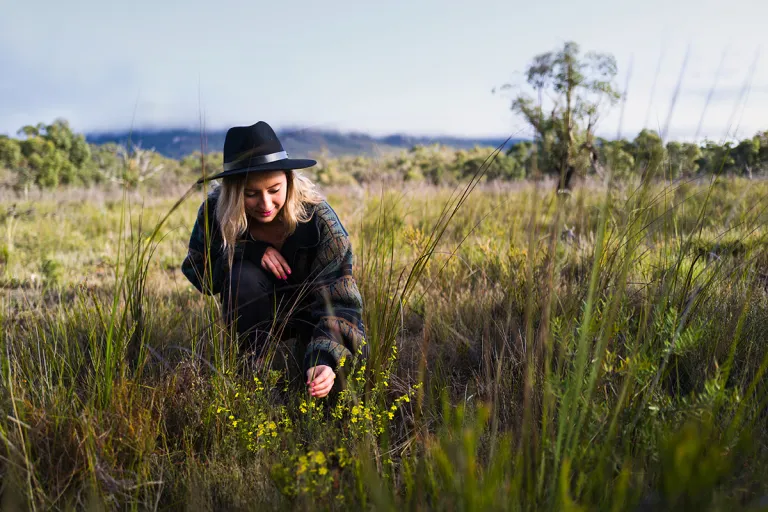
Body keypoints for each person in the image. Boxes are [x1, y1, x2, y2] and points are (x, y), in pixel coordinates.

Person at [181, 121, 365, 398]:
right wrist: (246, 251)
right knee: (241, 277)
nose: (265, 205)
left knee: (332, 387)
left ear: (289, 180)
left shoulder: (320, 219)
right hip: (253, 312)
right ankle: (253, 376)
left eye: (274, 190)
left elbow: (341, 299)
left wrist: (325, 359)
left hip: (313, 313)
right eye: (250, 194)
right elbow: (199, 272)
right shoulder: (215, 212)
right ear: (232, 191)